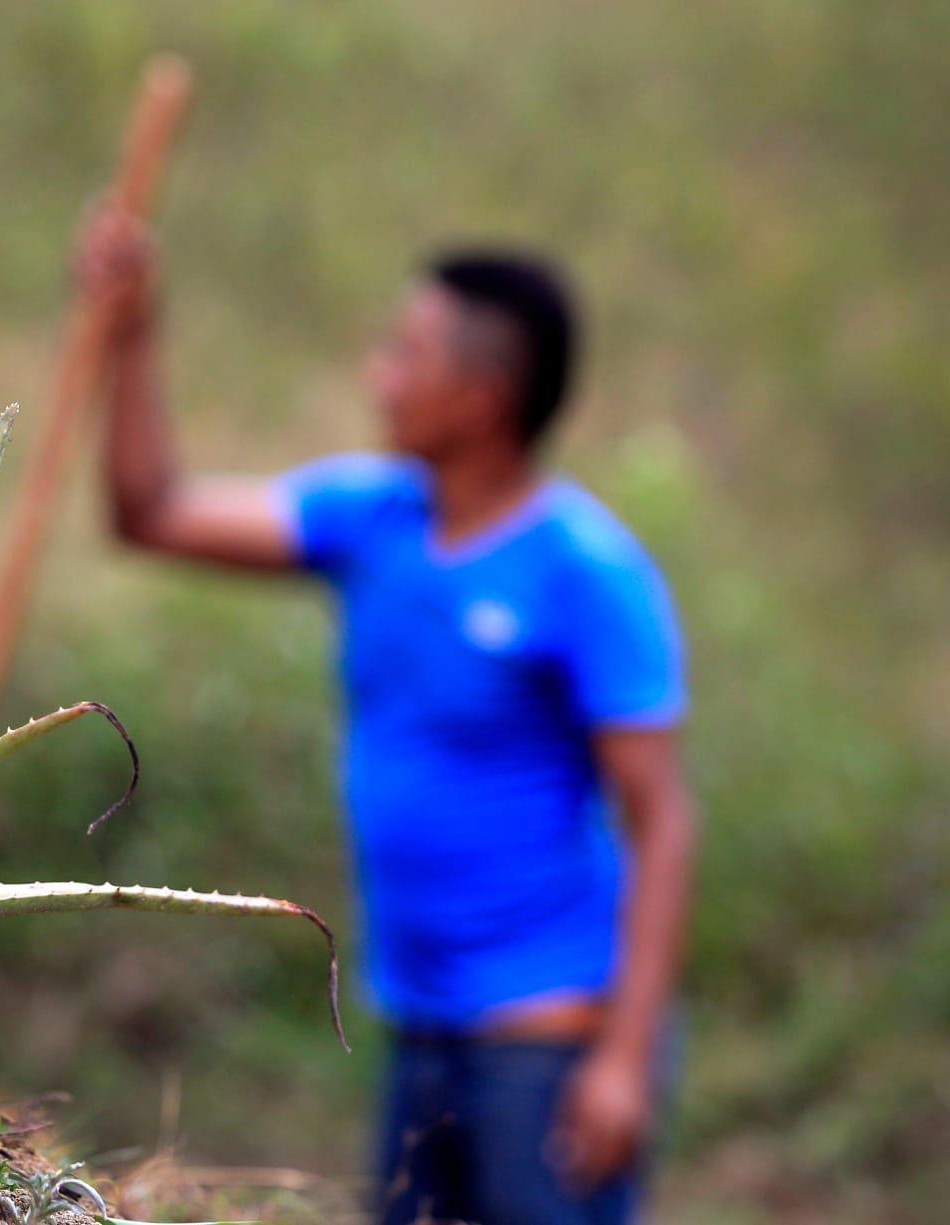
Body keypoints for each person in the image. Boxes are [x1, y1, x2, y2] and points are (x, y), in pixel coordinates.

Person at [76, 207, 695, 1225]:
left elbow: (662, 819)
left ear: (483, 397)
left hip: (547, 1035)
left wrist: (624, 1060)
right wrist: (135, 334)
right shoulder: (371, 519)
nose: (380, 375)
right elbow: (151, 512)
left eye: (406, 354)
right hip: (420, 1020)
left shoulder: (587, 574)